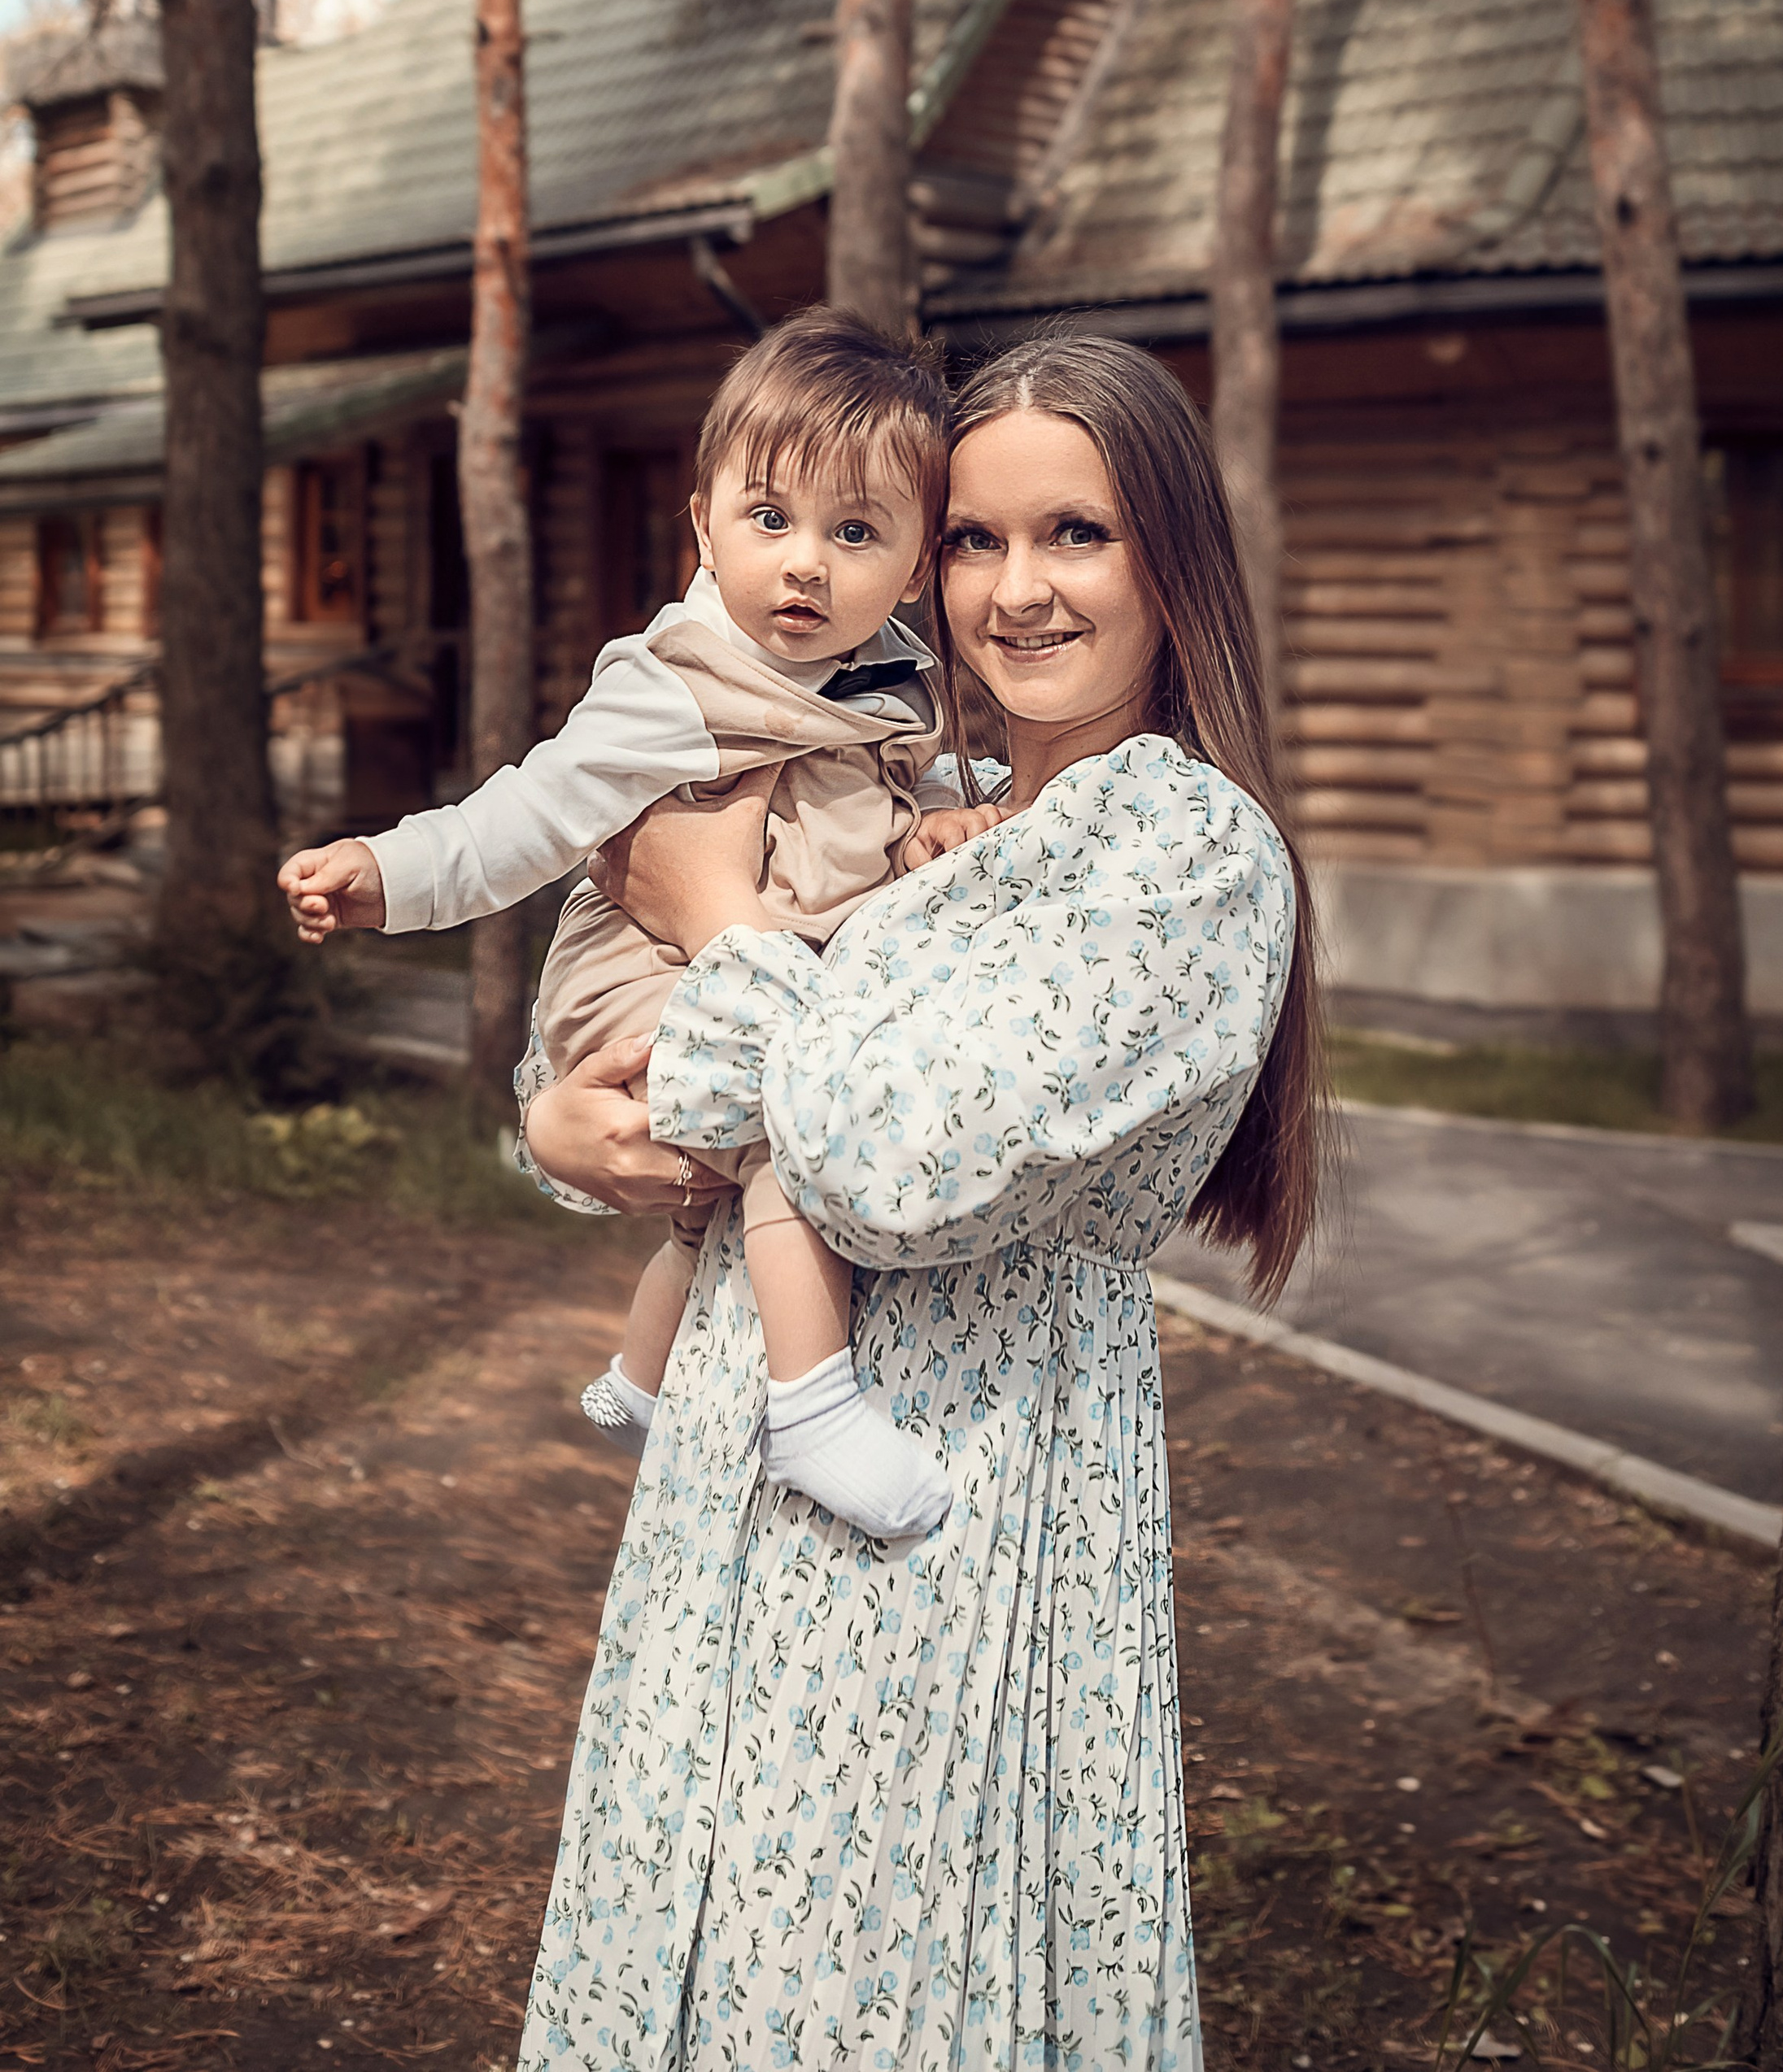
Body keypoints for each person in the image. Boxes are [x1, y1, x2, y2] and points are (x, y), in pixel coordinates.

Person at [515, 328, 1324, 2072]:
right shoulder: (931, 810)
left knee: (856, 1977)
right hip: (739, 1468)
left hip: (951, 1504)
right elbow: (695, 1085)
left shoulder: (1177, 850)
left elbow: (890, 1167)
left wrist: (718, 915)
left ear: (1172, 558)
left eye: (1074, 535)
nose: (1012, 591)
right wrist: (567, 1129)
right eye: (970, 539)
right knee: (701, 1935)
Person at [277, 309, 995, 1538]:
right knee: (788, 1114)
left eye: (856, 532)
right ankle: (813, 1404)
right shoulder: (675, 688)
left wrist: (945, 814)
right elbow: (522, 819)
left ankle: (648, 1379)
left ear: (917, 565)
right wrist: (381, 874)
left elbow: (903, 787)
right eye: (771, 519)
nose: (806, 564)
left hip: (756, 961)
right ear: (705, 519)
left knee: (720, 1193)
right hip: (644, 972)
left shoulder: (893, 680)